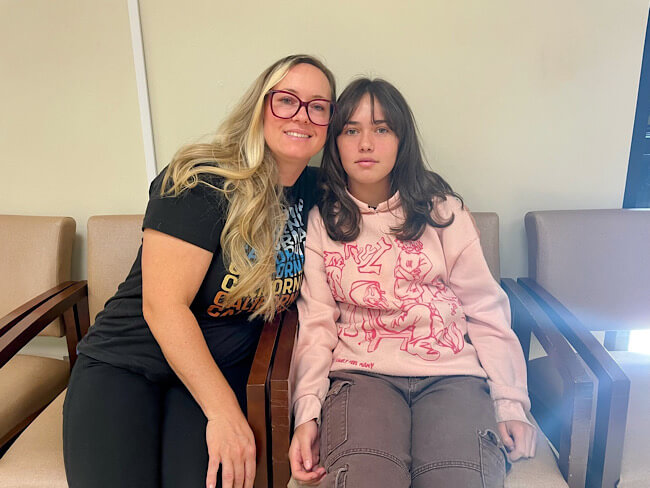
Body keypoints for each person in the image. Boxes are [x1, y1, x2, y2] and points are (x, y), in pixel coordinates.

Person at [62, 54, 336, 488]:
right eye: (287, 100)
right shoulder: (203, 180)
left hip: (216, 371)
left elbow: (383, 187)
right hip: (127, 364)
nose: (302, 115)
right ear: (260, 107)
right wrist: (224, 413)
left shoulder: (319, 193)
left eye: (319, 106)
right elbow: (163, 306)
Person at [288, 78, 536, 487]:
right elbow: (316, 324)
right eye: (351, 130)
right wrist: (307, 411)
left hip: (452, 377)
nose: (366, 143)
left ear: (402, 140)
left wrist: (511, 403)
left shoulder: (442, 211)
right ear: (334, 142)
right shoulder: (322, 221)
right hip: (362, 377)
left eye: (381, 129)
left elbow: (485, 308)